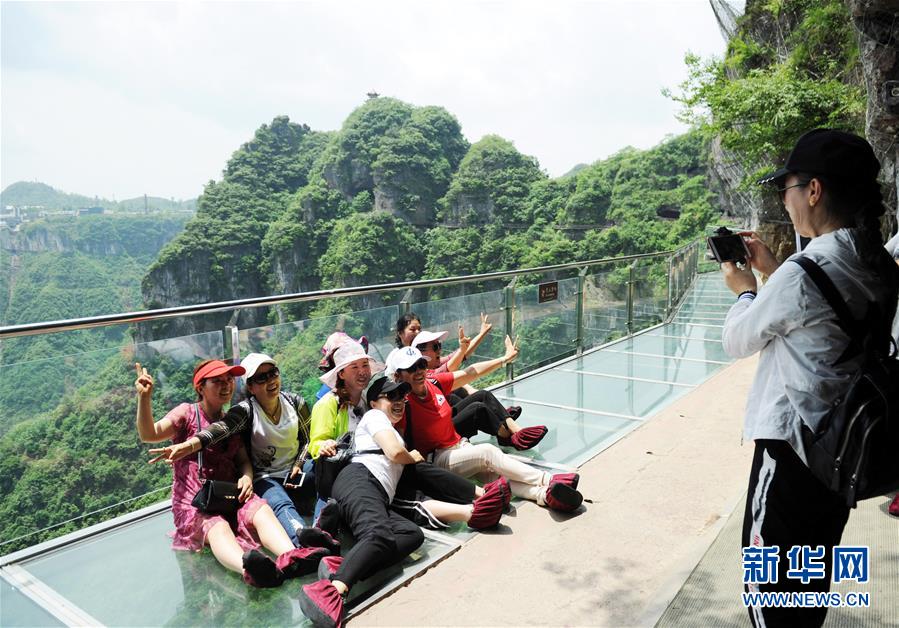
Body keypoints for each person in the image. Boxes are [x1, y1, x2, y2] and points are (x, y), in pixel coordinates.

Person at [720, 129, 899, 627]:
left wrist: (745, 289)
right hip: (839, 453)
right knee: (807, 585)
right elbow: (818, 315)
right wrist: (776, 270)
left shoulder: (804, 272)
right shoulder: (877, 262)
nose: (786, 199)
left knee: (769, 595)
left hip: (791, 453)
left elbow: (737, 340)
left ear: (814, 190)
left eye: (788, 188)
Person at [298, 375, 506, 628]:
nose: (399, 401)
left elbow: (424, 474)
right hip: (360, 479)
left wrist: (478, 494)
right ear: (374, 402)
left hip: (376, 492)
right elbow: (396, 453)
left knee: (410, 535)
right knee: (378, 535)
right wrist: (412, 455)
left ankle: (344, 567)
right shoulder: (375, 418)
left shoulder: (394, 432)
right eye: (391, 396)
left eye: (402, 397)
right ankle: (333, 589)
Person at [134, 360, 326, 587]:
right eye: (217, 381)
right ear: (200, 387)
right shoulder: (187, 413)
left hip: (230, 494)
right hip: (196, 502)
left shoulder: (232, 419)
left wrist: (246, 477)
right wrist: (144, 398)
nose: (226, 385)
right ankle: (253, 571)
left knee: (261, 510)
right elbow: (149, 434)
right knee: (217, 527)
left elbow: (242, 460)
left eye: (228, 380)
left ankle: (293, 557)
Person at [155, 353, 337, 552]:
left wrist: (299, 463)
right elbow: (221, 429)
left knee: (327, 467)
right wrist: (189, 445)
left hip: (296, 470)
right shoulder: (246, 411)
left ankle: (321, 528)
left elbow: (307, 439)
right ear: (250, 387)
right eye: (261, 378)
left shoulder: (295, 403)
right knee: (280, 504)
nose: (270, 380)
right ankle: (303, 540)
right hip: (266, 476)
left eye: (273, 373)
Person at [387, 345, 583, 513]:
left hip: (459, 446)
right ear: (398, 375)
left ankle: (545, 495)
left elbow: (471, 373)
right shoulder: (402, 404)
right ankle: (549, 480)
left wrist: (504, 359)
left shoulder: (434, 384)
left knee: (495, 476)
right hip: (438, 458)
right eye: (411, 368)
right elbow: (394, 435)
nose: (419, 371)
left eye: (421, 364)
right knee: (488, 452)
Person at [311, 340, 488, 508]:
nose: (362, 371)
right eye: (354, 367)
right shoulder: (328, 404)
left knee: (422, 471)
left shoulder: (368, 399)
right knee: (419, 469)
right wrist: (324, 445)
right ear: (341, 374)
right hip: (348, 477)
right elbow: (316, 444)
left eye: (365, 365)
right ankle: (480, 497)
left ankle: (479, 498)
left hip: (380, 468)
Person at [413, 329, 548, 450]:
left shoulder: (431, 372)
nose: (439, 350)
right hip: (440, 435)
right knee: (477, 408)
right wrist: (504, 359)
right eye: (435, 347)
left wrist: (481, 335)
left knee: (482, 395)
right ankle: (507, 437)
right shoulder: (426, 378)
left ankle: (513, 428)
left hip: (444, 419)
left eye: (439, 346)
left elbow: (462, 361)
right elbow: (466, 369)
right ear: (421, 354)